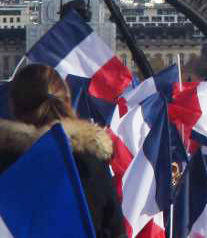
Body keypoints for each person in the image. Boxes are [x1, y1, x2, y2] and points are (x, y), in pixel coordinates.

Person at [0, 64, 125, 238]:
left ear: (14, 105)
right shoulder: (90, 161)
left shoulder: (5, 162)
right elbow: (115, 231)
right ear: (66, 100)